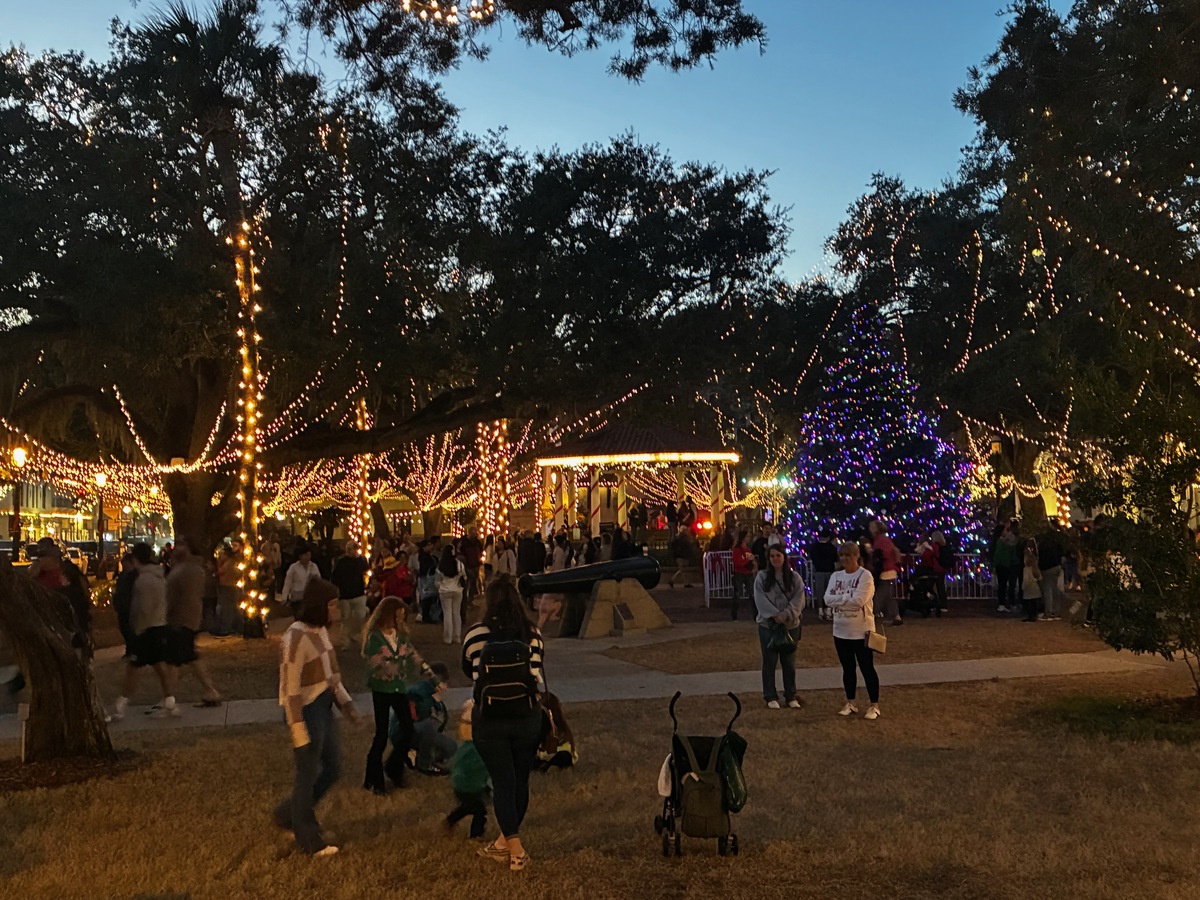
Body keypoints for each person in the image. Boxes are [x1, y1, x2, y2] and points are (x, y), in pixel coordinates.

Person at [462, 577, 545, 872]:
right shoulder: (531, 633)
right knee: (519, 781)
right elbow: (538, 672)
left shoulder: (474, 635)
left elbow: (467, 670)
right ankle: (505, 843)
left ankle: (514, 848)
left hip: (490, 718)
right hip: (526, 716)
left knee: (502, 782)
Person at [274, 579, 361, 857]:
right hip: (307, 710)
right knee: (307, 773)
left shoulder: (320, 631)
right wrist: (297, 727)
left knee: (333, 766)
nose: (335, 611)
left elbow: (330, 673)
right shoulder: (295, 637)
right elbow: (290, 688)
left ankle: (289, 813)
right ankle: (308, 837)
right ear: (318, 606)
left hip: (323, 706)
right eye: (331, 605)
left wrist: (346, 704)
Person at [361, 596, 431, 794]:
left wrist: (432, 676)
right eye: (399, 616)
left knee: (408, 729)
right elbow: (372, 663)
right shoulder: (375, 638)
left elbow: (414, 656)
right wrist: (385, 664)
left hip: (399, 688)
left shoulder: (401, 637)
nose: (402, 620)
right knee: (381, 735)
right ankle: (374, 779)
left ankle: (394, 767)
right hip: (382, 691)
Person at [112, 543, 178, 719]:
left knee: (135, 666)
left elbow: (142, 607)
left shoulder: (143, 580)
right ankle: (169, 699)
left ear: (134, 559)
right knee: (158, 664)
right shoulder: (159, 577)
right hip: (158, 624)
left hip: (145, 627)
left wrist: (136, 627)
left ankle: (122, 703)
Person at [824, 542, 881, 720]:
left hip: (861, 630)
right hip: (841, 629)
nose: (845, 559)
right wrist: (846, 598)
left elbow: (859, 600)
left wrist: (840, 599)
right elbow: (827, 598)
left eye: (849, 555)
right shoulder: (836, 576)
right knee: (847, 668)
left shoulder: (865, 576)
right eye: (842, 556)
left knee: (866, 667)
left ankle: (874, 705)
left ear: (856, 556)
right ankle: (851, 701)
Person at [164, 536, 222, 706]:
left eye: (181, 544)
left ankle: (169, 699)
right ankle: (208, 691)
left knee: (177, 659)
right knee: (185, 657)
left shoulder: (189, 570)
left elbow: (182, 596)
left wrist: (169, 614)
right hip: (184, 618)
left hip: (182, 619)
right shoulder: (185, 567)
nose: (177, 548)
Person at [753, 545, 804, 709]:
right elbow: (759, 598)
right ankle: (770, 695)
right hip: (768, 625)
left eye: (778, 555)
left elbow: (799, 598)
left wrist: (787, 614)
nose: (775, 559)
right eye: (772, 556)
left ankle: (790, 695)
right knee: (769, 660)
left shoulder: (794, 577)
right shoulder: (761, 577)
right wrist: (774, 614)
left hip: (790, 625)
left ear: (784, 557)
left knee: (789, 662)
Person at [445, 699, 490, 839]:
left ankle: (451, 820)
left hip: (464, 785)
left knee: (468, 807)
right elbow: (482, 766)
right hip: (469, 786)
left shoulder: (466, 747)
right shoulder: (476, 749)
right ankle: (475, 835)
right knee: (479, 811)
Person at [408, 661, 456, 774]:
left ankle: (423, 755)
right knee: (429, 726)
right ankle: (424, 764)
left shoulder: (432, 694)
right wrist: (434, 699)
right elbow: (416, 715)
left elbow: (442, 719)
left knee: (451, 747)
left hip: (420, 731)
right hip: (409, 730)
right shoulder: (419, 690)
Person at [331, 540, 370, 650]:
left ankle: (354, 634)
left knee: (360, 615)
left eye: (351, 548)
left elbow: (366, 568)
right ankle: (345, 641)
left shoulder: (361, 560)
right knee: (345, 619)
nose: (349, 550)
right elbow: (335, 577)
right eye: (347, 548)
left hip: (359, 593)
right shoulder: (341, 561)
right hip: (345, 594)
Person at [868, 520, 902, 626]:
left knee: (880, 596)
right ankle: (896, 616)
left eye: (872, 526)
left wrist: (872, 552)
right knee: (887, 596)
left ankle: (873, 615)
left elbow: (885, 554)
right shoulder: (882, 540)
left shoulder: (882, 540)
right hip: (887, 570)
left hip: (886, 571)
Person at [437, 545, 467, 644]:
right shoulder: (459, 564)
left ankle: (448, 637)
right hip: (457, 590)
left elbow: (437, 581)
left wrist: (440, 587)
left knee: (447, 614)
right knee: (456, 613)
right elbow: (464, 577)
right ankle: (457, 636)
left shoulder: (441, 566)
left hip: (445, 591)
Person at [990, 519, 1022, 613]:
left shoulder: (1002, 541)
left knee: (1003, 584)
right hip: (1003, 565)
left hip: (1004, 564)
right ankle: (1002, 604)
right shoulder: (1001, 542)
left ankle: (1003, 603)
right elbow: (998, 554)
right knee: (1003, 584)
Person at [214, 540, 244, 636]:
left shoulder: (229, 562)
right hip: (229, 586)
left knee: (228, 608)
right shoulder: (231, 561)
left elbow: (221, 572)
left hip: (228, 587)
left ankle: (227, 628)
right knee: (231, 608)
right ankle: (237, 626)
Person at [808, 531, 839, 622]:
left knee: (820, 591)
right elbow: (835, 559)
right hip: (829, 570)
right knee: (829, 591)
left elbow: (812, 557)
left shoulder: (814, 547)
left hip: (818, 571)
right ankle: (828, 611)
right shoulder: (831, 547)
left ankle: (820, 610)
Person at [282, 543, 321, 614]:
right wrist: (284, 597)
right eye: (305, 555)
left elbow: (319, 580)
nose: (308, 557)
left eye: (309, 555)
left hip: (310, 597)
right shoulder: (293, 567)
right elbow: (287, 583)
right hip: (297, 598)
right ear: (300, 556)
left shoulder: (313, 566)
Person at [1037, 525, 1066, 621]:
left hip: (1046, 567)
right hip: (1056, 566)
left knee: (1047, 590)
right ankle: (1056, 611)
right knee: (1055, 589)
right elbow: (1061, 554)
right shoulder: (1056, 542)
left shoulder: (1042, 544)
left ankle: (1048, 612)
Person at [730, 530, 756, 621]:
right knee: (738, 594)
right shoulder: (738, 550)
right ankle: (735, 615)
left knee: (751, 593)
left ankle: (755, 615)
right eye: (747, 536)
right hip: (740, 573)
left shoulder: (747, 549)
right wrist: (748, 561)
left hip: (746, 573)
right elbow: (737, 562)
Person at [1021, 540, 1043, 623]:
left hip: (1029, 588)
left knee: (1029, 603)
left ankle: (1030, 616)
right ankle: (1034, 615)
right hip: (1035, 587)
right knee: (1034, 603)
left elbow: (1026, 580)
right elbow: (1039, 577)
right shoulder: (1035, 568)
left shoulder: (1026, 569)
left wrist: (1023, 587)